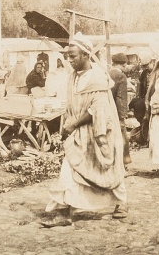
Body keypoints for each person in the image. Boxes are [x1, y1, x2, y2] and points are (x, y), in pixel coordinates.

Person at [42, 37, 128, 226]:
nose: (70, 60)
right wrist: (67, 125)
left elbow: (98, 109)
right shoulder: (73, 76)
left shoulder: (97, 77)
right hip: (78, 131)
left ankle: (121, 203)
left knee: (107, 168)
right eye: (67, 56)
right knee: (70, 167)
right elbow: (72, 105)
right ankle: (64, 211)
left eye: (73, 56)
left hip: (99, 131)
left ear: (86, 55)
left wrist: (74, 124)